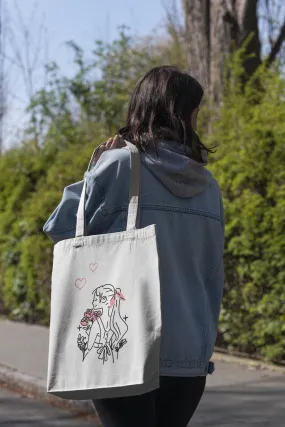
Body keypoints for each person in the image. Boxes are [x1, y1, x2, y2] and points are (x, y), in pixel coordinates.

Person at [44, 65, 224, 427]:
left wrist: (95, 169)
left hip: (121, 346)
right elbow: (211, 277)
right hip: (190, 354)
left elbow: (61, 227)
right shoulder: (209, 188)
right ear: (183, 114)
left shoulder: (121, 166)